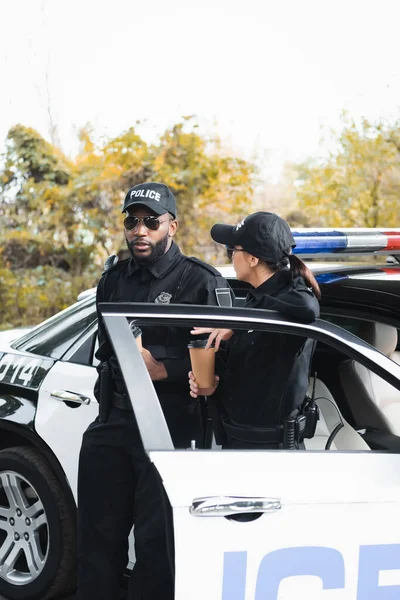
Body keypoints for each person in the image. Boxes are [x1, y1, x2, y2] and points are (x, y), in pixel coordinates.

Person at [76, 182, 233, 600]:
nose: (140, 230)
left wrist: (164, 368)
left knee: (156, 549)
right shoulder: (112, 280)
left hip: (171, 428)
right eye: (133, 221)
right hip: (113, 420)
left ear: (173, 226)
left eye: (151, 222)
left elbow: (222, 359)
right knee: (94, 542)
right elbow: (106, 347)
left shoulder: (201, 282)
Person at [189, 211, 320, 449]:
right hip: (239, 444)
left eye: (233, 250)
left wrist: (239, 323)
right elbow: (256, 374)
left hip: (271, 454)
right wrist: (213, 382)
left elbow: (308, 309)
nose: (230, 257)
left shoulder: (291, 297)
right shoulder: (256, 297)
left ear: (252, 259)